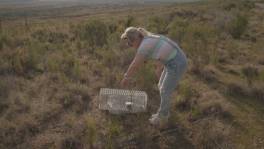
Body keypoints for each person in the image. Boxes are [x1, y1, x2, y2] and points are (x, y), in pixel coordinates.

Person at [120, 27, 188, 126]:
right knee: (161, 86)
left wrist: (126, 77)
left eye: (130, 44)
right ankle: (165, 111)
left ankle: (163, 117)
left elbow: (135, 64)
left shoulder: (144, 45)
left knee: (165, 90)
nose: (130, 46)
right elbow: (161, 50)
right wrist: (159, 67)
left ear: (135, 40)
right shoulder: (148, 38)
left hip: (176, 64)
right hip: (171, 62)